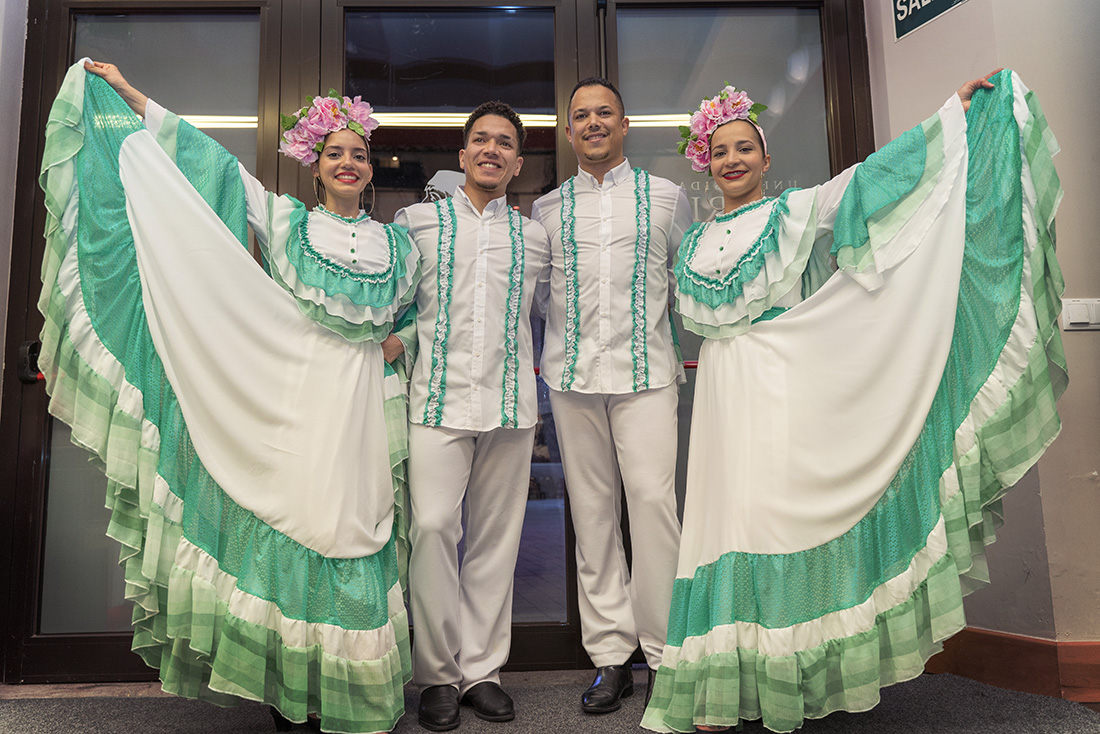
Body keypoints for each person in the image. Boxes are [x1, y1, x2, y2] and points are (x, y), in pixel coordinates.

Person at [642, 70, 1066, 733]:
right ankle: (721, 688)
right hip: (724, 401)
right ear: (706, 162)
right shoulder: (692, 245)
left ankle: (792, 678)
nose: (732, 160)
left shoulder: (795, 212)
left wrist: (951, 113)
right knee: (725, 522)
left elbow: (872, 179)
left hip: (787, 391)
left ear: (765, 158)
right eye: (720, 151)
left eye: (744, 148)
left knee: (777, 522)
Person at [39, 60, 420, 733]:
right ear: (315, 165)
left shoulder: (400, 245)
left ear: (373, 166)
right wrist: (133, 96)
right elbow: (205, 161)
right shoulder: (285, 220)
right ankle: (289, 696)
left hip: (360, 402)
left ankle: (343, 693)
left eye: (359, 154)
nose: (348, 163)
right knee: (294, 515)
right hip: (292, 394)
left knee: (354, 523)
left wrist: (399, 343)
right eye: (335, 153)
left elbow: (423, 315)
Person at [531, 77, 692, 713]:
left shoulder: (668, 197)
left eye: (605, 113)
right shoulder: (546, 210)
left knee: (654, 505)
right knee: (593, 514)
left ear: (625, 126)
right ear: (569, 133)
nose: (593, 123)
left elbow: (691, 277)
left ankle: (667, 654)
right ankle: (609, 659)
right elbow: (542, 298)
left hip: (646, 375)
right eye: (581, 116)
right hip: (571, 380)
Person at [394, 101, 551, 732]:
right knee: (432, 528)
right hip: (434, 399)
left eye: (504, 143)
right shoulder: (415, 222)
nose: (492, 150)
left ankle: (481, 671)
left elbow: (552, 314)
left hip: (511, 403)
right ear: (462, 157)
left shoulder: (535, 237)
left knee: (495, 539)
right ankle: (436, 674)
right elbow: (394, 303)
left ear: (517, 161)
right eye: (480, 140)